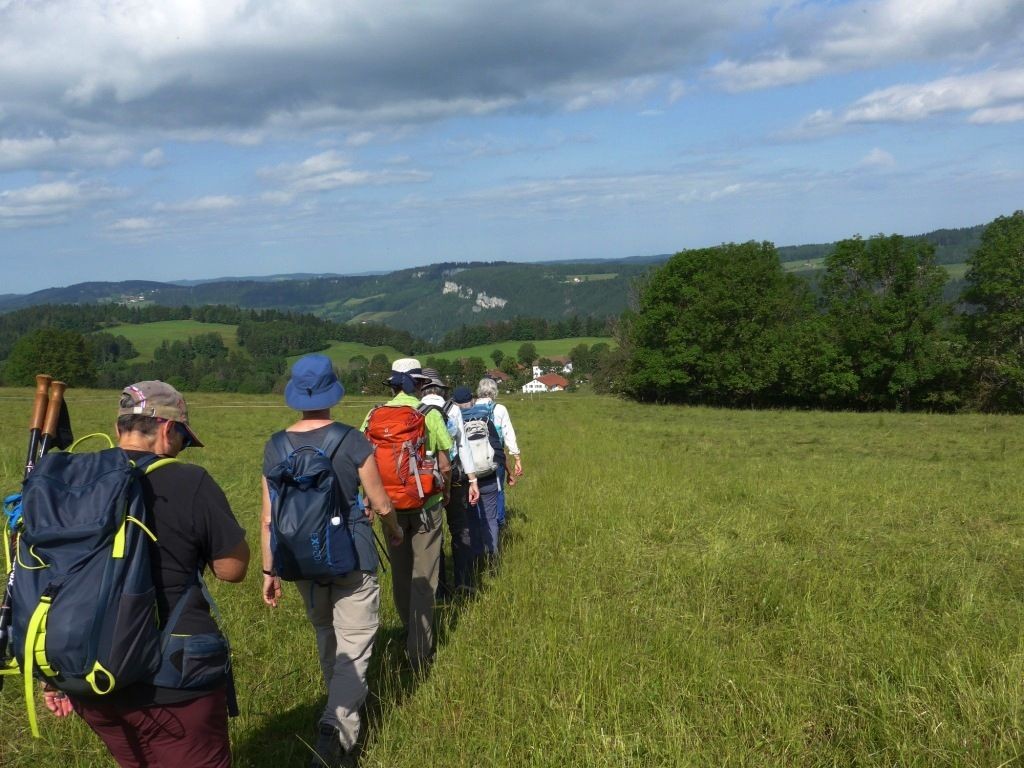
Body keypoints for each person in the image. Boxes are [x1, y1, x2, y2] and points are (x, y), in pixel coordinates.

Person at [45, 380, 250, 768]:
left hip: (86, 669)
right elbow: (232, 570)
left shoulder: (73, 482)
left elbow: (50, 574)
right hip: (173, 677)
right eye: (183, 440)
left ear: (121, 425)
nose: (180, 449)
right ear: (167, 429)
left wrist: (50, 670)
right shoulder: (189, 481)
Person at [260, 355, 402, 768]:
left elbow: (268, 516)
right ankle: (334, 732)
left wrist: (270, 570)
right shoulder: (351, 440)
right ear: (331, 392)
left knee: (329, 638)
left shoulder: (275, 446)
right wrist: (393, 530)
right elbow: (379, 501)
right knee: (354, 646)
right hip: (352, 555)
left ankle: (337, 715)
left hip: (301, 560)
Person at [362, 358, 452, 674]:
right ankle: (419, 651)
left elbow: (365, 460)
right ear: (419, 384)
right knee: (425, 579)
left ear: (393, 385)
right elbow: (444, 462)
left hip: (389, 508)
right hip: (427, 506)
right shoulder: (429, 415)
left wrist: (369, 502)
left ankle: (407, 632)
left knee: (401, 576)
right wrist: (447, 494)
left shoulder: (374, 415)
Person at [419, 368, 480, 597]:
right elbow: (462, 446)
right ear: (442, 390)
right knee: (460, 528)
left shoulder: (416, 410)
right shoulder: (452, 409)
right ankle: (464, 581)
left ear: (422, 388)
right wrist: (472, 479)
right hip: (453, 475)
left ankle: (439, 587)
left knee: (434, 533)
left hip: (425, 479)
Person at [453, 386, 506, 577]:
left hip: (467, 478)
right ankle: (493, 558)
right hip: (489, 475)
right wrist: (500, 467)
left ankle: (476, 561)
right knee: (490, 519)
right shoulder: (485, 417)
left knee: (471, 520)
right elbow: (497, 445)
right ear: (472, 400)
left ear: (456, 404)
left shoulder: (455, 420)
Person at [474, 377, 523, 527]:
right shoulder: (500, 409)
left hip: (474, 459)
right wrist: (517, 458)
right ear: (494, 392)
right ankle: (499, 524)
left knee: (476, 491)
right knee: (498, 490)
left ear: (479, 391)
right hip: (496, 457)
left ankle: (480, 524)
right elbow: (508, 435)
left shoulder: (471, 407)